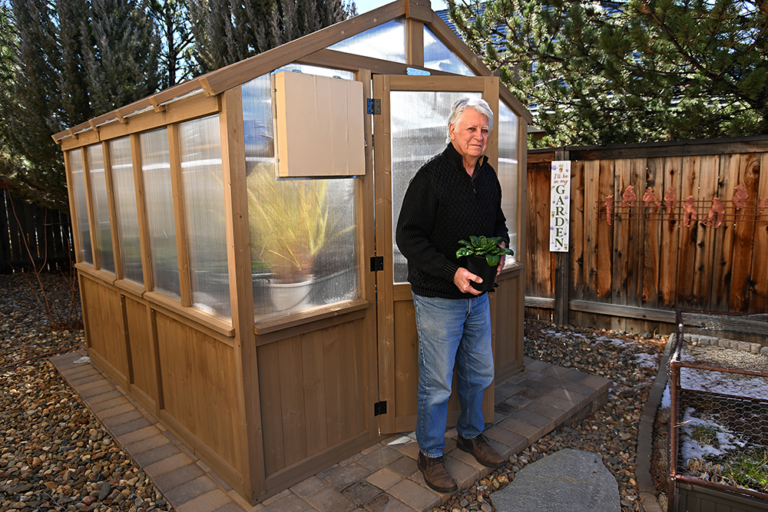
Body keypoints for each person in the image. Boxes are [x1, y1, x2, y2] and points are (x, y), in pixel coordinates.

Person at [395, 97, 509, 493]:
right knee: (438, 381)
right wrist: (451, 271)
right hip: (438, 296)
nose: (479, 136)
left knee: (479, 371)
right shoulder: (430, 178)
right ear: (452, 131)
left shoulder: (488, 176)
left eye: (484, 131)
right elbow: (407, 236)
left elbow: (498, 222)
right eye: (471, 129)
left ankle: (470, 433)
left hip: (477, 295)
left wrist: (499, 251)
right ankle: (429, 451)